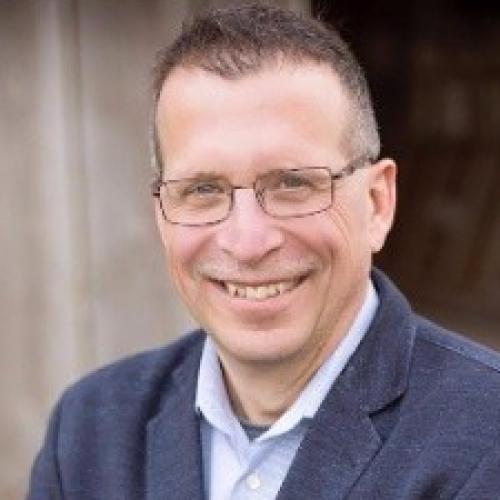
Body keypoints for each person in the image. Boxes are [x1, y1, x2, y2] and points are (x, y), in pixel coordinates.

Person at [28, 4, 500, 499]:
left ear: (377, 204)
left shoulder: (486, 437)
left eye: (292, 184)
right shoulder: (87, 435)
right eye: (203, 189)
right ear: (163, 217)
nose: (248, 242)